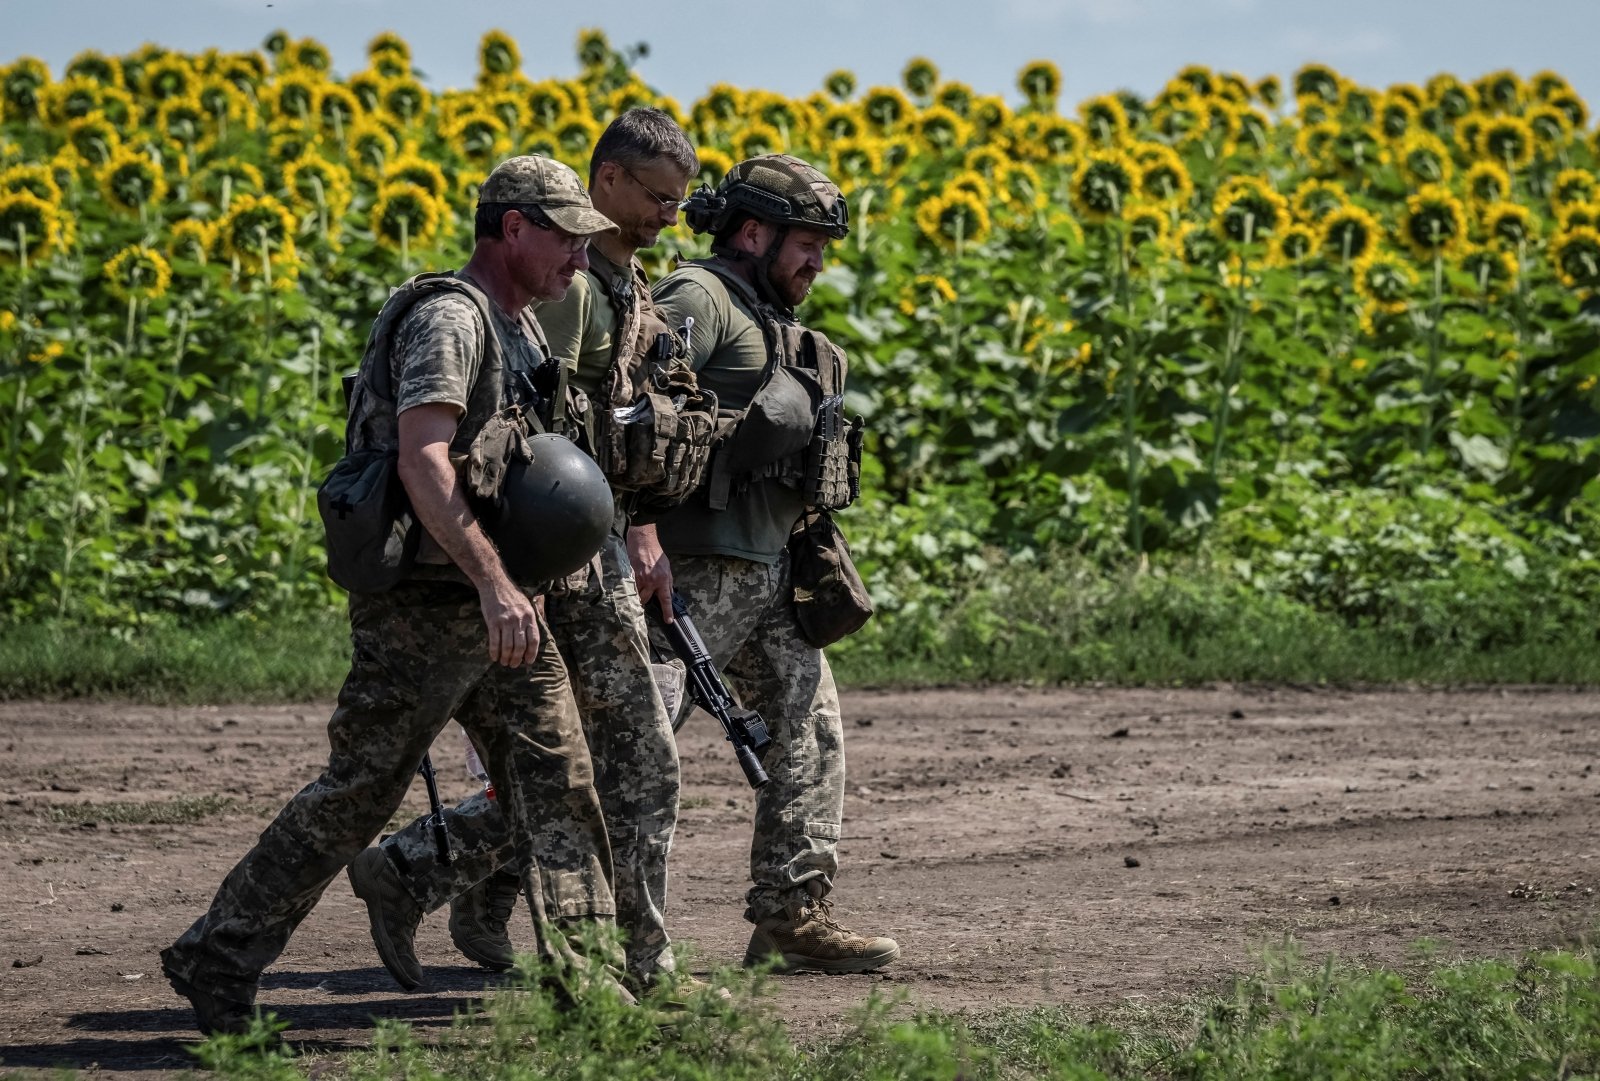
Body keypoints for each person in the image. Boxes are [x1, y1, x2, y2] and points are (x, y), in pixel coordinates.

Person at [159, 154, 626, 1036]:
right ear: (514, 227)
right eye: (566, 235)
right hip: (428, 604)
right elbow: (422, 457)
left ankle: (593, 988)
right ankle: (215, 957)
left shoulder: (521, 326)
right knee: (359, 791)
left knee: (560, 778)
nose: (578, 257)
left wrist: (514, 583)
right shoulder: (452, 317)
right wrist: (494, 582)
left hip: (497, 602)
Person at [346, 109, 707, 994]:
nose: (669, 215)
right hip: (565, 555)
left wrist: (642, 521)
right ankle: (624, 965)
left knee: (581, 759)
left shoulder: (622, 279)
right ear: (606, 182)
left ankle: (425, 873)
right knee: (611, 757)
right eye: (657, 196)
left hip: (588, 547)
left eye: (679, 202)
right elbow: (546, 444)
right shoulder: (564, 287)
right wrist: (534, 569)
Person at [647, 154, 900, 973]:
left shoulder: (771, 314)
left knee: (811, 735)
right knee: (627, 752)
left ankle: (792, 913)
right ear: (752, 233)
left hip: (767, 574)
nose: (819, 263)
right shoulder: (697, 298)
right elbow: (637, 423)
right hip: (688, 576)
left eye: (825, 247)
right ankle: (424, 863)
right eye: (807, 244)